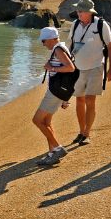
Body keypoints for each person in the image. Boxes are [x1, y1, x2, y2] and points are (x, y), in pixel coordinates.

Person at [67, 0, 111, 145]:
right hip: (77, 68)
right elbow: (69, 46)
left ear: (89, 12)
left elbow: (110, 47)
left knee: (90, 99)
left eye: (81, 11)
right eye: (77, 10)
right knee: (79, 100)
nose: (78, 13)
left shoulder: (101, 25)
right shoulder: (75, 24)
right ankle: (81, 131)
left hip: (96, 67)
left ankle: (87, 133)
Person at [33, 27, 76, 166]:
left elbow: (70, 68)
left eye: (44, 41)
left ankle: (57, 148)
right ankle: (52, 154)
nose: (43, 43)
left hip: (55, 92)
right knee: (46, 122)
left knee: (37, 120)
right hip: (59, 91)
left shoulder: (58, 49)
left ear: (51, 39)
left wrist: (51, 68)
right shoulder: (61, 47)